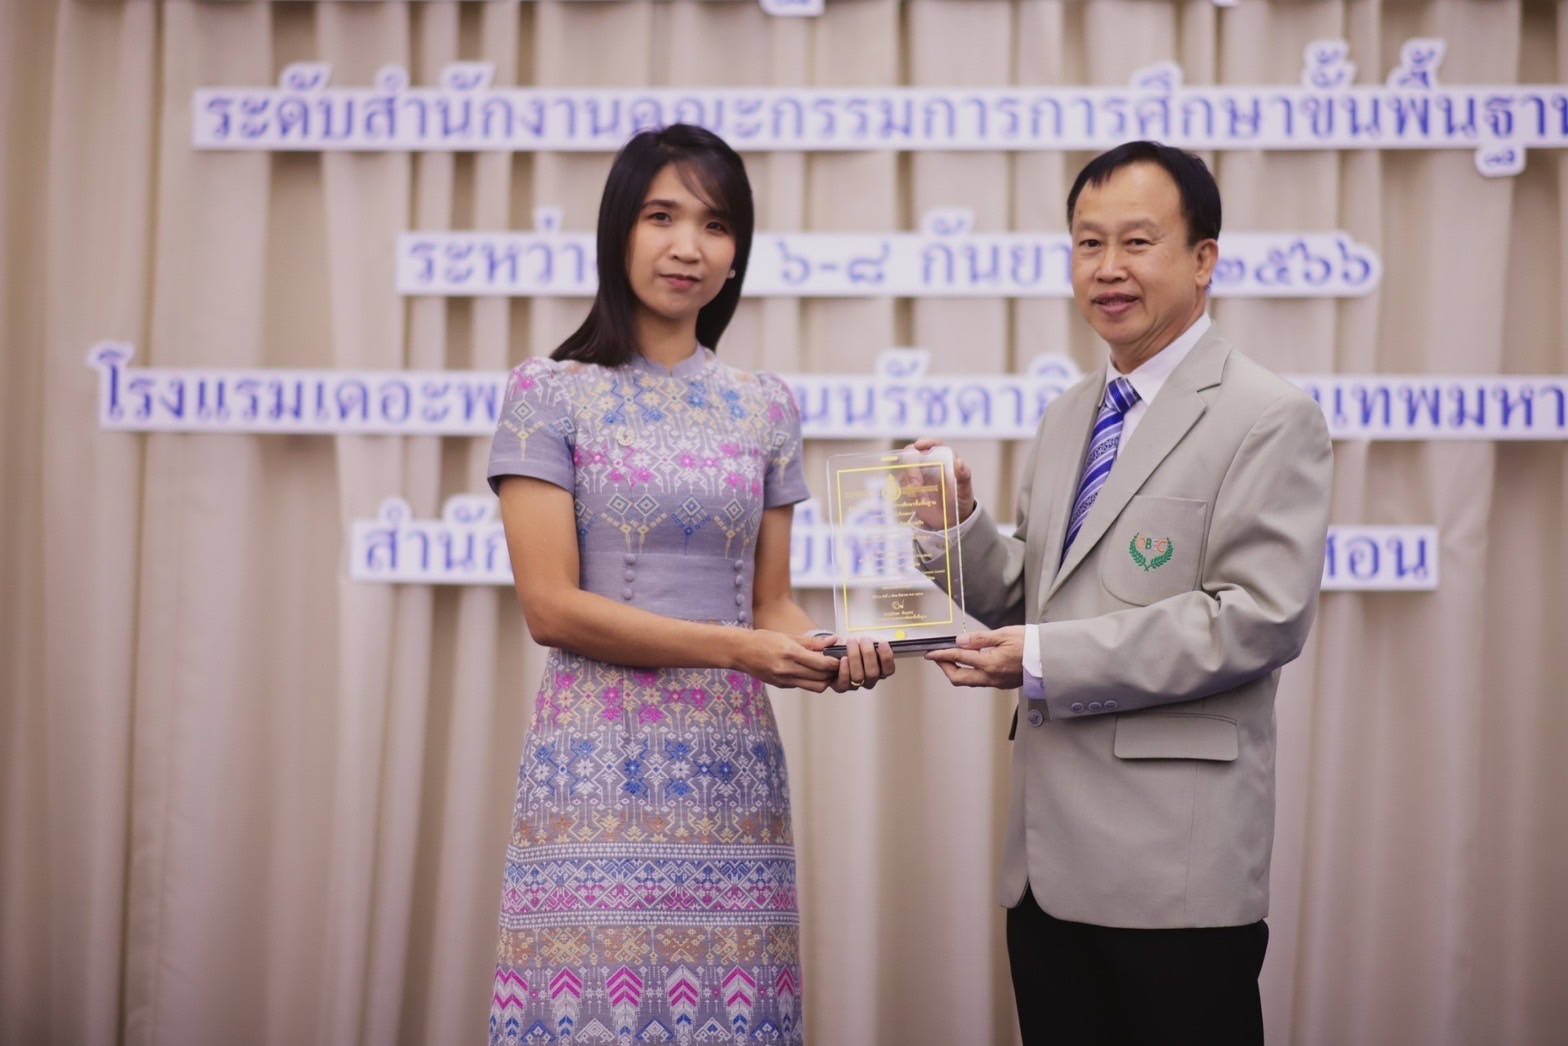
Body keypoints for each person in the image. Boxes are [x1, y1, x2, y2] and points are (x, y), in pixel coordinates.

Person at [915, 140, 1333, 1044]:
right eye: (1088, 243)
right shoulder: (1070, 412)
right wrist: (954, 527)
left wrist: (1042, 656)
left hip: (1171, 873)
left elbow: (1255, 618)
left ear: (1203, 259)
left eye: (1137, 242)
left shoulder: (1269, 415)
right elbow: (1034, 598)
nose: (1107, 268)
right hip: (1046, 871)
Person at [485, 124, 892, 1046]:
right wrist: (743, 649)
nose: (687, 247)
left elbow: (771, 602)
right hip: (594, 763)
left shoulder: (767, 404)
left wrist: (833, 649)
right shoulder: (549, 392)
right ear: (619, 230)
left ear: (736, 252)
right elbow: (551, 609)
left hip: (731, 767)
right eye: (661, 216)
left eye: (715, 225)